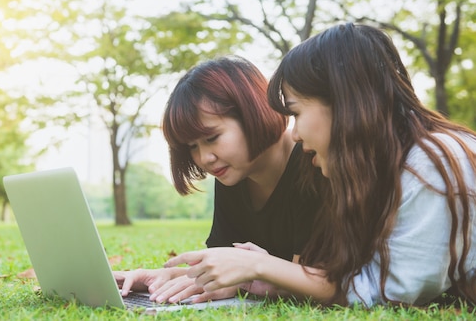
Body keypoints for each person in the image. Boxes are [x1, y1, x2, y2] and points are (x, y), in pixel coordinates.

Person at [165, 23, 476, 307]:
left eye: (297, 112)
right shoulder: (378, 169)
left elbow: (389, 290)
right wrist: (261, 276)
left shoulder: (431, 163)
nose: (295, 133)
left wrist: (261, 266)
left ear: (343, 104)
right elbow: (348, 273)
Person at [114, 55, 321, 304]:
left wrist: (244, 279)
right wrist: (163, 277)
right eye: (192, 146)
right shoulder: (233, 174)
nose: (204, 158)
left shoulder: (314, 162)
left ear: (252, 113)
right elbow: (227, 268)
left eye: (212, 138)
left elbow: (313, 281)